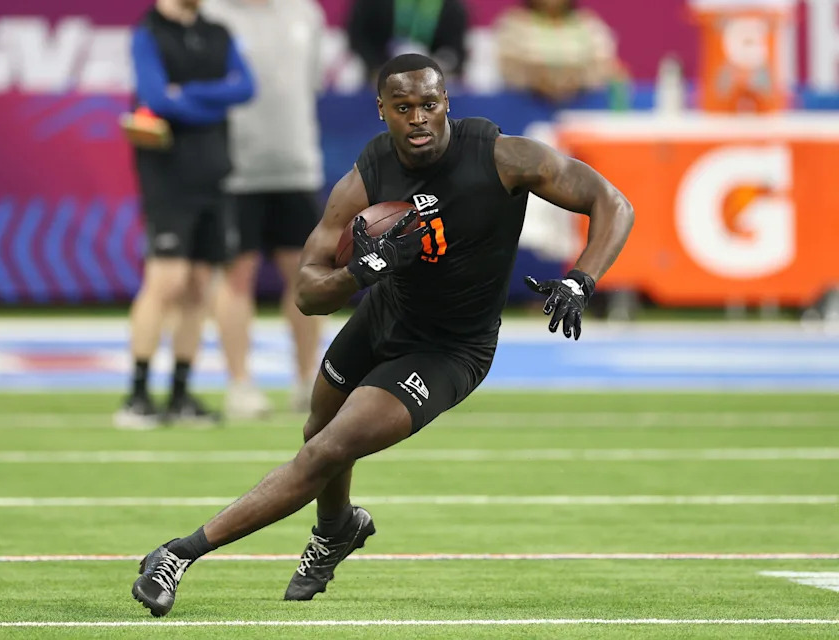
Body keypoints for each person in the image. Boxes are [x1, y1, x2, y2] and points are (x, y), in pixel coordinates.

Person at [130, 53, 633, 614]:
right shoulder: (368, 177)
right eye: (403, 107)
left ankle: (178, 554)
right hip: (383, 316)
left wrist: (582, 281)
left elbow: (611, 202)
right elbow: (306, 292)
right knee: (316, 431)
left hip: (449, 349)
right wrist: (363, 271)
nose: (418, 118)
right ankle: (337, 528)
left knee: (327, 450)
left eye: (429, 105)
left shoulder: (501, 157)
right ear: (382, 112)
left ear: (447, 105)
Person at [115, 0, 255, 429]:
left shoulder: (218, 32)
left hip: (214, 173)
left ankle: (179, 393)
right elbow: (156, 97)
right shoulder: (148, 33)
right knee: (166, 281)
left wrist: (187, 96)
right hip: (167, 177)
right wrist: (207, 101)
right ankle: (137, 395)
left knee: (199, 285)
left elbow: (246, 88)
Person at [201, 0, 326, 418]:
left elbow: (311, 82)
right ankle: (240, 385)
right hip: (235, 169)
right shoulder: (213, 14)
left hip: (296, 165)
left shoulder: (305, 13)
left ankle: (307, 381)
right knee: (236, 277)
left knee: (305, 277)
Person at [495, 0, 619, 103]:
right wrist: (535, 80)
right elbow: (506, 63)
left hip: (581, 105)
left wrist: (577, 80)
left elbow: (603, 62)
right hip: (524, 105)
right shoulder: (514, 22)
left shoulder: (588, 22)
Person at [348, 0, 468, 85]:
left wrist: (439, 69)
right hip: (378, 76)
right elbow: (359, 37)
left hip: (430, 79)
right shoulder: (371, 4)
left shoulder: (451, 6)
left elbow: (455, 48)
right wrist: (375, 68)